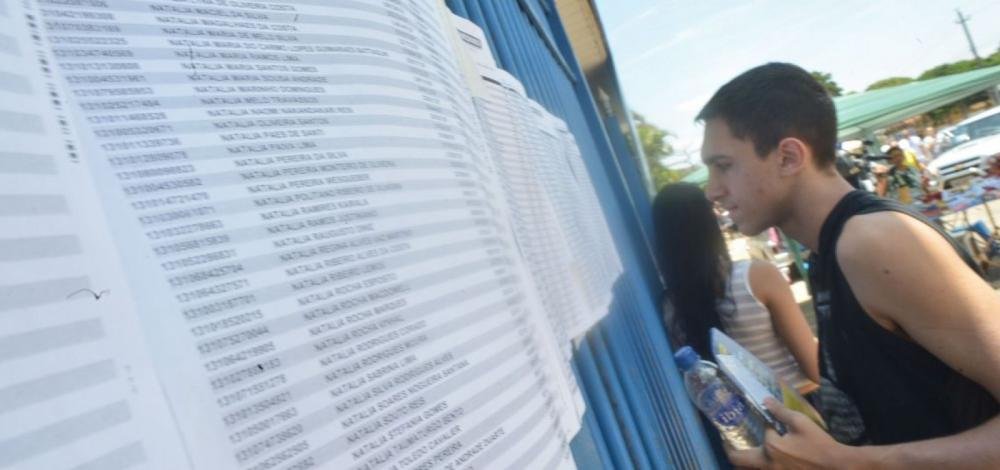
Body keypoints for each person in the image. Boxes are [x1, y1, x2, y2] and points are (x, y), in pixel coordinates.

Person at [696, 62, 999, 468]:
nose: (713, 190)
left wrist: (847, 463)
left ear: (787, 156)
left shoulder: (874, 242)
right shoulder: (830, 252)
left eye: (724, 166)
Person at [652, 183, 820, 396]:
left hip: (746, 423)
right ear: (710, 222)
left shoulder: (670, 308)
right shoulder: (757, 276)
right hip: (802, 409)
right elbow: (814, 368)